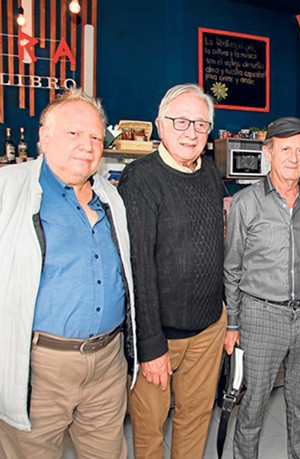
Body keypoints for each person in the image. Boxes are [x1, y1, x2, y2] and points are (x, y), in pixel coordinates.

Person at [0, 88, 137, 458]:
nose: (87, 145)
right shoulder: (1, 191)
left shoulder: (111, 198)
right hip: (35, 368)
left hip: (107, 364)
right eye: (74, 133)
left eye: (95, 137)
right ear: (44, 137)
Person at [118, 83, 226, 459]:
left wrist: (225, 318)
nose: (191, 132)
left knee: (195, 420)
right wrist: (150, 345)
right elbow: (138, 267)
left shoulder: (211, 174)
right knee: (149, 428)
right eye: (180, 121)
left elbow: (214, 247)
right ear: (160, 125)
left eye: (200, 124)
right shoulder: (140, 178)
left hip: (208, 328)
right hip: (161, 334)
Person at [224, 117, 300, 459]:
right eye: (285, 149)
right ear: (268, 153)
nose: (294, 157)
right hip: (260, 317)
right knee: (253, 405)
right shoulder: (245, 203)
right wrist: (232, 324)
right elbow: (232, 267)